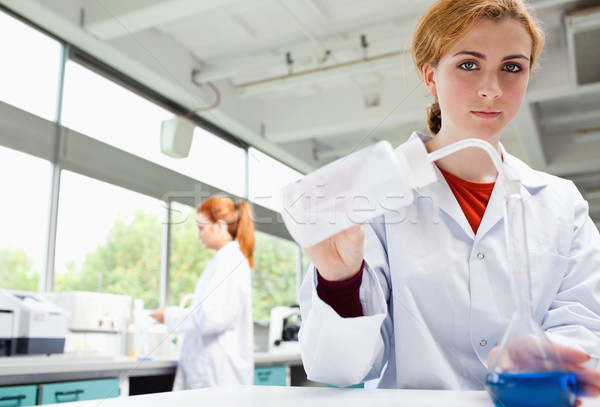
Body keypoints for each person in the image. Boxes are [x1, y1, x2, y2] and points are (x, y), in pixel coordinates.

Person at [297, 0, 600, 399]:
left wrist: (549, 358)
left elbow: (584, 326)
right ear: (430, 76)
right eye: (468, 64)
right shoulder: (374, 198)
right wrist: (340, 281)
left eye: (512, 67)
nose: (492, 88)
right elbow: (339, 369)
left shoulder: (561, 203)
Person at [151, 195, 255, 390]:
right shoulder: (222, 261)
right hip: (212, 372)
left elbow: (208, 318)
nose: (199, 235)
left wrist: (168, 314)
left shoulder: (229, 261)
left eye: (201, 228)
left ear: (219, 225)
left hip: (219, 376)